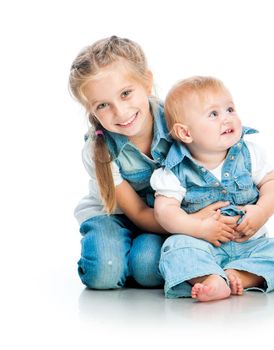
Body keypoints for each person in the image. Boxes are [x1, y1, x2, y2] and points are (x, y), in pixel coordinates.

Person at [69, 36, 237, 290]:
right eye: (103, 105)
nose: (121, 112)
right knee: (103, 274)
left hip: (167, 217)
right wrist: (194, 225)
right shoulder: (98, 150)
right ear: (91, 110)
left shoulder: (178, 121)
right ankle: (119, 252)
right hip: (117, 215)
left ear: (146, 82)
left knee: (148, 269)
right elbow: (136, 213)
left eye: (126, 93)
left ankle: (137, 254)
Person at [151, 76, 274, 301]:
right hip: (203, 246)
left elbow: (273, 184)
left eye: (230, 109)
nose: (227, 118)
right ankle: (209, 276)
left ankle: (237, 275)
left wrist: (262, 211)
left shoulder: (248, 153)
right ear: (185, 133)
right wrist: (199, 228)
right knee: (175, 248)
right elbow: (164, 211)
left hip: (250, 246)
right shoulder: (175, 170)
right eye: (214, 114)